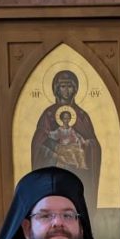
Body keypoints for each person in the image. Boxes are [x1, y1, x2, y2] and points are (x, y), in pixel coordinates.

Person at [31, 70, 102, 214]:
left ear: (75, 89)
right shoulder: (49, 115)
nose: (66, 90)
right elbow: (38, 142)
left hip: (78, 171)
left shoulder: (81, 116)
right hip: (55, 170)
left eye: (70, 86)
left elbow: (93, 144)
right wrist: (56, 147)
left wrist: (85, 146)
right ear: (56, 89)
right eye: (63, 86)